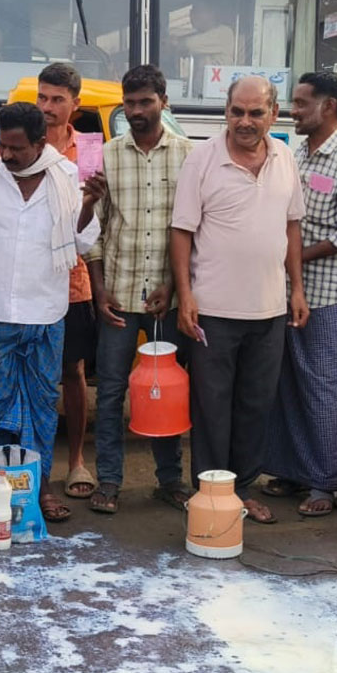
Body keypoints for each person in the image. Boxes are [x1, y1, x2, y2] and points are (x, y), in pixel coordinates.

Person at [170, 75, 307, 525]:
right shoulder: (202, 159)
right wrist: (186, 296)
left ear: (274, 114)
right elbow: (182, 231)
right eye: (236, 112)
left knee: (255, 404)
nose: (245, 121)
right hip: (212, 310)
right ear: (226, 112)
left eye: (255, 113)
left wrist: (297, 289)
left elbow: (291, 226)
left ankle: (243, 489)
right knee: (211, 407)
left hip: (269, 310)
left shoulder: (285, 157)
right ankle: (210, 493)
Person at [0, 102, 100, 524]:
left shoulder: (67, 177)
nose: (6, 154)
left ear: (40, 143)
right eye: (2, 145)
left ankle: (40, 487)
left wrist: (89, 204)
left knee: (41, 403)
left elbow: (83, 242)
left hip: (45, 309)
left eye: (16, 148)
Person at [80, 64, 194, 515]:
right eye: (129, 103)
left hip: (168, 300)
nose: (136, 111)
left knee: (166, 391)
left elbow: (194, 229)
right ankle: (109, 481)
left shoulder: (189, 155)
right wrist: (99, 289)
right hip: (119, 297)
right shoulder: (105, 156)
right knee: (110, 392)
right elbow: (93, 231)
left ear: (164, 102)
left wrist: (173, 285)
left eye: (146, 101)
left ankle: (170, 480)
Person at [260, 72, 337, 517]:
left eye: (302, 103)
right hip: (288, 289)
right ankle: (291, 470)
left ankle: (328, 480)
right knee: (287, 382)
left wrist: (299, 257)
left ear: (329, 107)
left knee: (324, 386)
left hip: (328, 292)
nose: (294, 110)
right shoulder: (297, 155)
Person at [32, 62, 98, 502]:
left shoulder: (90, 149)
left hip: (74, 279)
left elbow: (96, 214)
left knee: (73, 371)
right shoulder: (19, 141)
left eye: (58, 99)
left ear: (75, 104)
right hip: (29, 278)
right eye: (43, 97)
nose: (48, 107)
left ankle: (76, 461)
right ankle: (33, 464)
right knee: (34, 372)